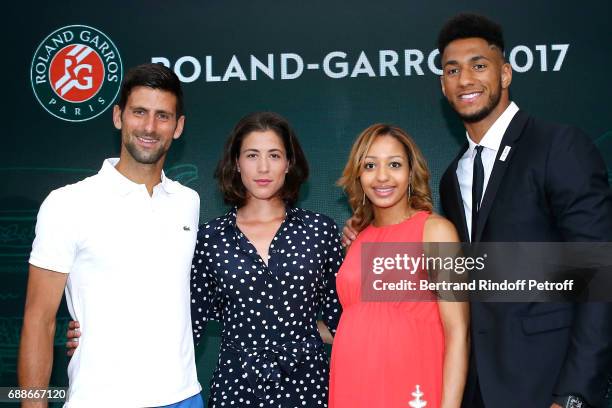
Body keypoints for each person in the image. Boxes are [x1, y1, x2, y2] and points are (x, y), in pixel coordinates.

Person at [344, 13, 612, 408]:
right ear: (442, 84)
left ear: (505, 74)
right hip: (476, 389)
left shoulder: (558, 145)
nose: (465, 79)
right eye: (453, 70)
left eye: (479, 65)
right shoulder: (454, 177)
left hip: (548, 386)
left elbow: (599, 274)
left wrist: (574, 395)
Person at [18, 63, 204, 408]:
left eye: (163, 116)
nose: (149, 127)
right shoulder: (67, 204)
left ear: (178, 127)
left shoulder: (187, 203)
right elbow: (39, 319)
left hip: (184, 397)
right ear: (118, 116)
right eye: (139, 112)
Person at [330, 124, 469, 408]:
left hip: (411, 386)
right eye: (370, 165)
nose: (382, 176)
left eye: (394, 164)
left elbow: (458, 332)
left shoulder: (435, 232)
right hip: (352, 386)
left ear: (410, 173)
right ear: (359, 174)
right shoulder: (357, 238)